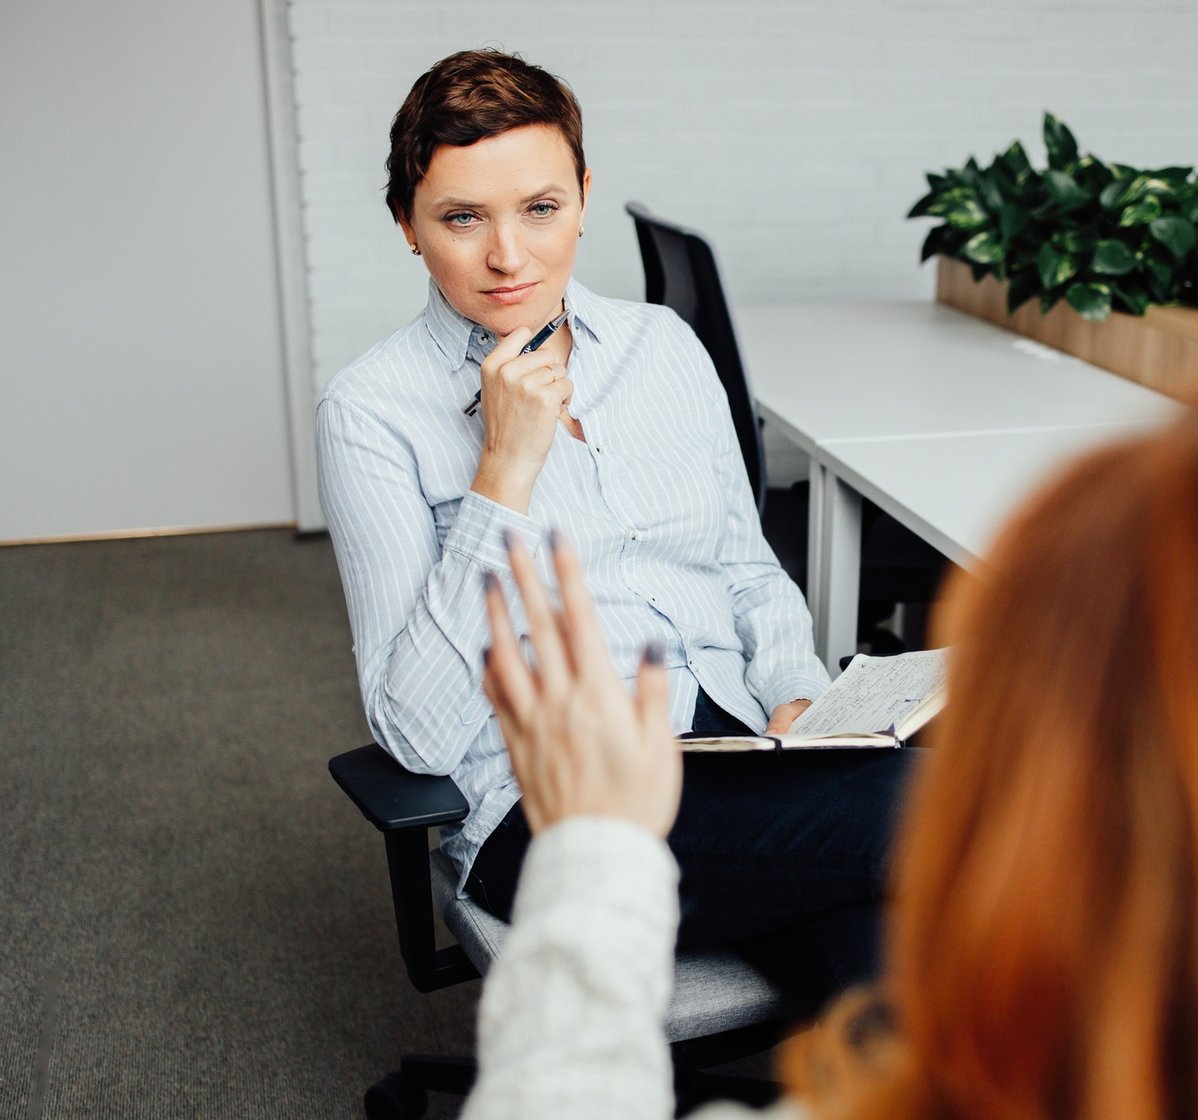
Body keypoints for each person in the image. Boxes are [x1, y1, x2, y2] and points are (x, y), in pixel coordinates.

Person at [466, 321, 1198, 1119]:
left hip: (669, 780)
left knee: (891, 858)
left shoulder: (660, 356)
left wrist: (600, 849)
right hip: (570, 783)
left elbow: (553, 1093)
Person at [315, 48, 910, 1006]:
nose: (509, 256)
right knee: (945, 802)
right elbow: (414, 738)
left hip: (739, 755)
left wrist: (798, 691)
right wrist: (502, 475)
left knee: (886, 977)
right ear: (406, 226)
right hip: (553, 809)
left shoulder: (663, 349)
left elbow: (747, 570)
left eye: (540, 209)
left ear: (584, 198)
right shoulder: (371, 410)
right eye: (462, 218)